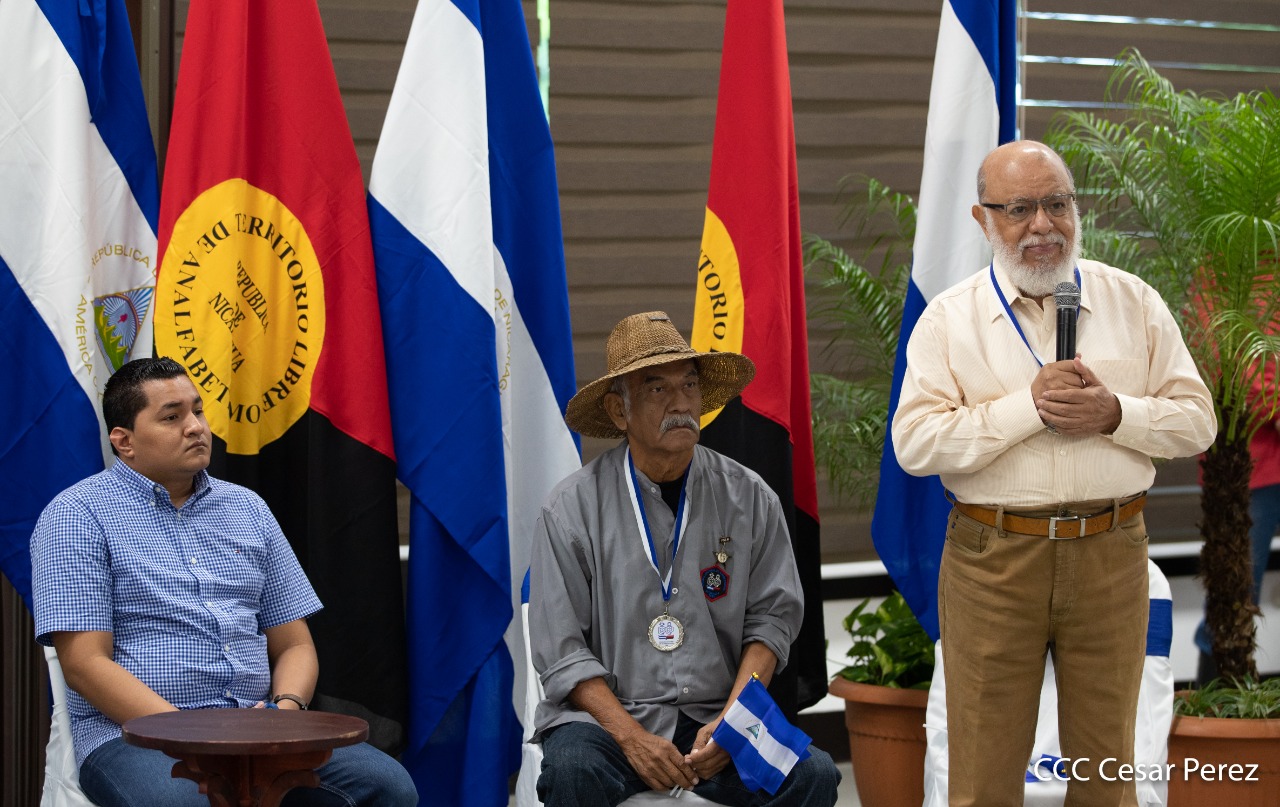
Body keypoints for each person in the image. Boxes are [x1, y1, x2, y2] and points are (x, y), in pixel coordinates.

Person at [891, 141, 1216, 806]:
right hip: (992, 560)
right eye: (1019, 209)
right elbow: (915, 445)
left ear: (1076, 208)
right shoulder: (949, 318)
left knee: (1108, 773)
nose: (1043, 225)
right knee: (981, 776)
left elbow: (1198, 422)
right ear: (983, 219)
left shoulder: (1133, 301)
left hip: (1111, 554)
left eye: (1057, 204)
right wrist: (1026, 407)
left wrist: (1116, 413)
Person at [29, 357, 417, 807]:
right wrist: (192, 733)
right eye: (172, 417)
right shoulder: (76, 516)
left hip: (257, 728)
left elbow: (295, 645)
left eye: (197, 410)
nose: (196, 427)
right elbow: (84, 664)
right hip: (134, 734)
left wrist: (284, 712)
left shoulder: (248, 508)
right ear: (124, 441)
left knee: (390, 787)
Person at [528, 312, 840, 807]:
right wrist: (632, 738)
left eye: (689, 385)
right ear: (618, 411)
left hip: (718, 715)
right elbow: (563, 654)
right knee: (573, 770)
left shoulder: (750, 496)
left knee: (813, 775)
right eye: (657, 388)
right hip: (609, 725)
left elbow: (772, 622)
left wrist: (734, 720)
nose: (680, 403)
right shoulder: (570, 509)